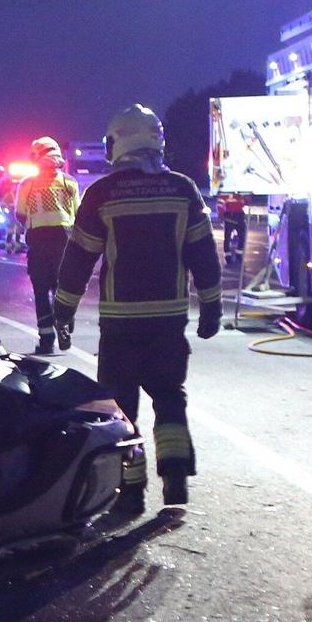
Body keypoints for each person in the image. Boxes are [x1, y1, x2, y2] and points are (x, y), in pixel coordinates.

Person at [53, 104, 224, 516]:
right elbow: (203, 254)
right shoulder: (183, 189)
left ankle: (130, 493)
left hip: (121, 323)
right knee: (169, 397)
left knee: (120, 408)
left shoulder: (102, 194)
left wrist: (63, 311)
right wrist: (212, 306)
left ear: (119, 142)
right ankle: (176, 476)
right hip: (168, 320)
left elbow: (79, 259)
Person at [18, 136, 82, 355]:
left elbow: (20, 214)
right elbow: (78, 213)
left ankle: (46, 340)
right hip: (64, 240)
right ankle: (65, 321)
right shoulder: (69, 182)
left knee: (40, 290)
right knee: (61, 287)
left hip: (38, 240)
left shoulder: (27, 184)